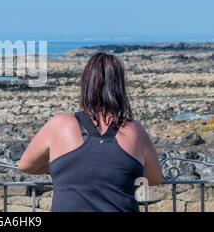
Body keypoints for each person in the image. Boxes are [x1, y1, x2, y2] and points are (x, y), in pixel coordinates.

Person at [18, 52, 162, 212]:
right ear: (119, 87)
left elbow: (25, 165)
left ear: (87, 84)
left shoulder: (59, 124)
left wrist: (61, 167)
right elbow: (155, 178)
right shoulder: (135, 131)